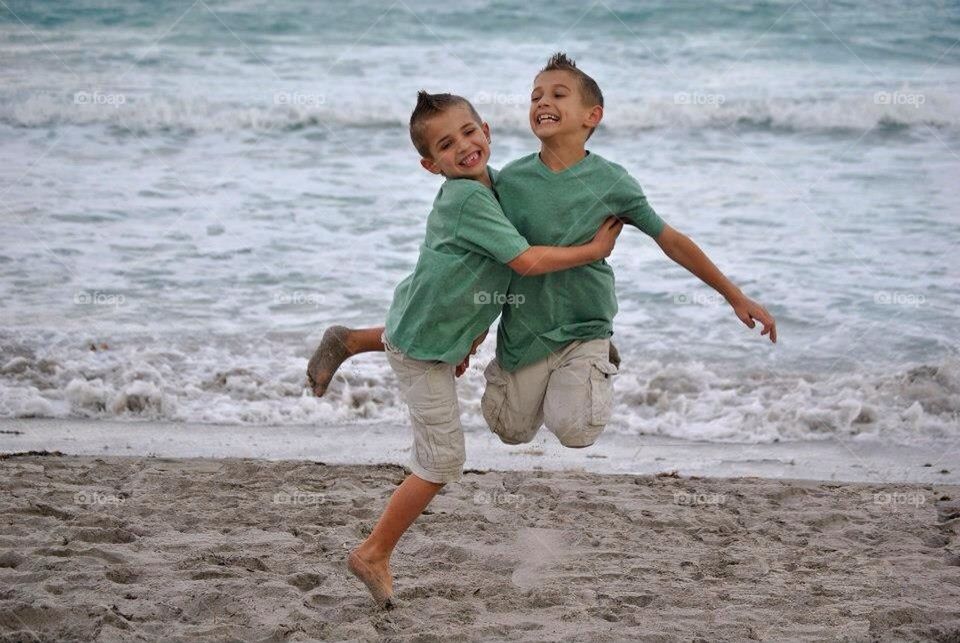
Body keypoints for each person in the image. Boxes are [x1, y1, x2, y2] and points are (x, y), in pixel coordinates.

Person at [342, 90, 623, 608]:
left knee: (434, 428)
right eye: (447, 145)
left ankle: (349, 340)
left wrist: (472, 334)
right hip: (422, 348)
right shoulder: (468, 197)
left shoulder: (492, 186)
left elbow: (477, 277)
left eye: (469, 133)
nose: (464, 147)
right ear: (431, 165)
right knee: (442, 463)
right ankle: (373, 552)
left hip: (429, 328)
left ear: (487, 131)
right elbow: (522, 264)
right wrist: (595, 251)